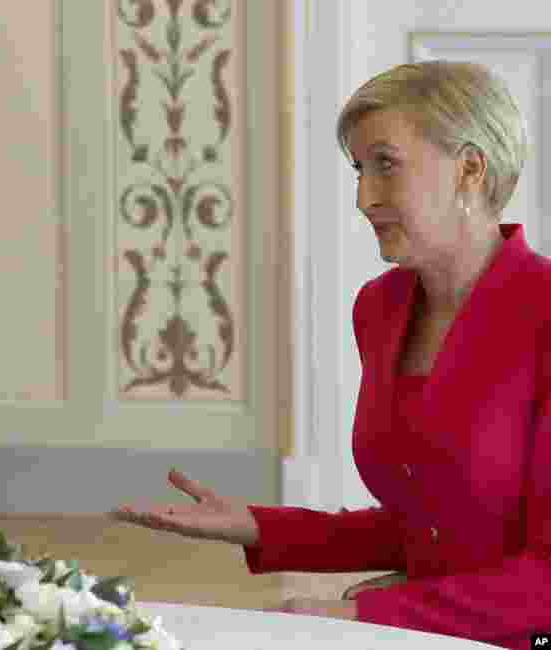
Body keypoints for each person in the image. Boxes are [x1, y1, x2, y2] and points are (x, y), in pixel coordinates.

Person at [113, 60, 550, 649]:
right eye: (358, 171)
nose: (364, 198)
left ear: (470, 168)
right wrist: (255, 525)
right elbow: (430, 528)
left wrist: (372, 614)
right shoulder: (381, 307)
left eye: (386, 166)